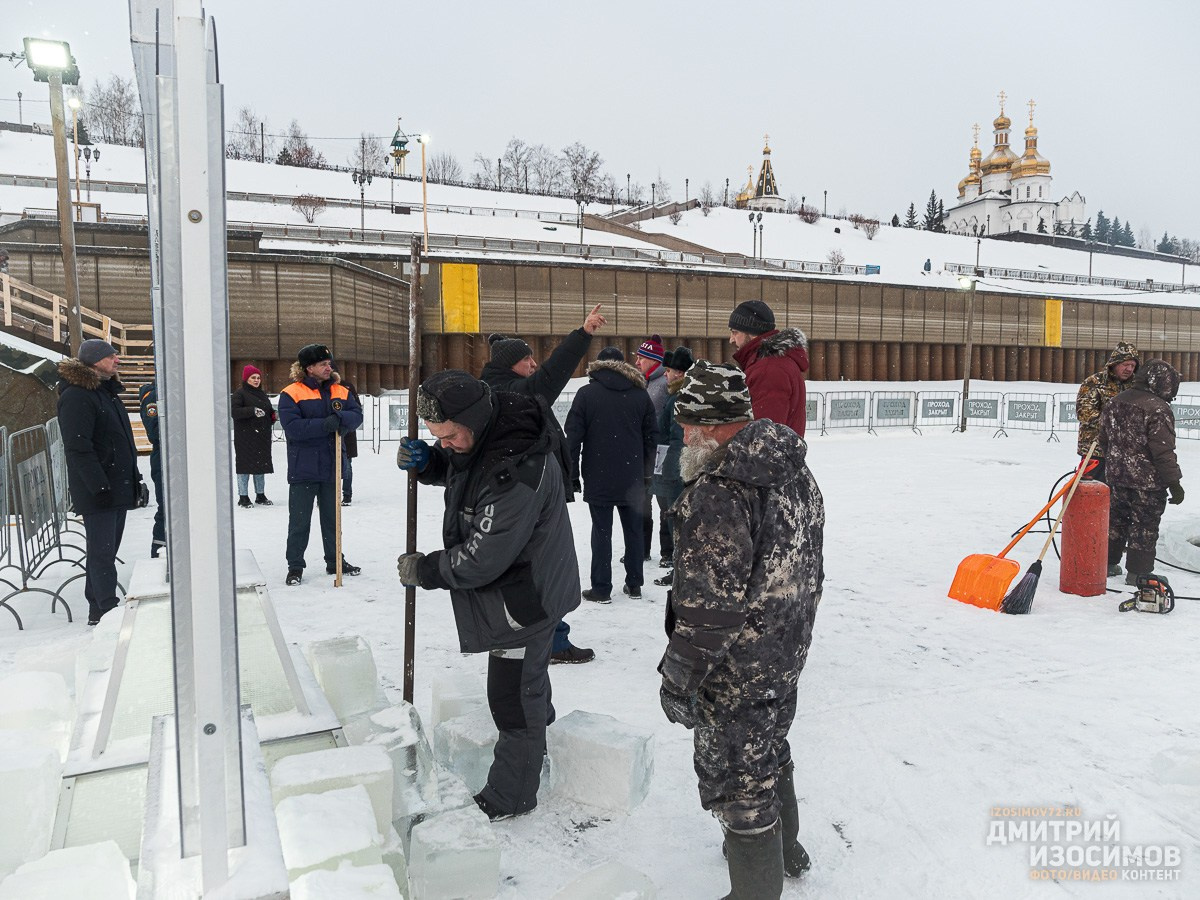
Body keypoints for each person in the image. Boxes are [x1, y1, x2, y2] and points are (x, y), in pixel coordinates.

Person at [658, 360, 824, 899]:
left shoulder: (719, 494)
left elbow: (708, 611)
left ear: (713, 425)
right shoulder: (793, 470)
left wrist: (678, 679)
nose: (684, 436)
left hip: (736, 670)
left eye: (689, 425)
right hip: (785, 652)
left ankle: (755, 889)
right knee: (769, 749)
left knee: (739, 781)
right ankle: (786, 848)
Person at [395, 370, 580, 820]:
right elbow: (468, 471)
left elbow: (481, 558)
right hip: (523, 588)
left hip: (524, 600)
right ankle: (539, 744)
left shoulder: (515, 473)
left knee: (513, 699)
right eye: (437, 437)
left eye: (449, 436)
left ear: (475, 421)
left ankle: (511, 795)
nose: (445, 443)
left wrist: (427, 569)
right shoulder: (494, 437)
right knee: (527, 684)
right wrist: (432, 463)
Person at [479, 303, 606, 665]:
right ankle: (550, 641)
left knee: (536, 569)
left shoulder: (503, 389)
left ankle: (538, 637)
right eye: (527, 360)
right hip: (528, 496)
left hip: (526, 494)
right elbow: (553, 374)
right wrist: (583, 334)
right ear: (510, 365)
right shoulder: (512, 392)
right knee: (544, 568)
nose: (533, 364)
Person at [57, 339, 147, 625]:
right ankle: (106, 610)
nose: (117, 359)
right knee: (102, 553)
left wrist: (133, 479)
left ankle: (98, 606)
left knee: (106, 552)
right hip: (99, 490)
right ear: (95, 361)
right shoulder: (77, 396)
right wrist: (99, 487)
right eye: (111, 356)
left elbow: (119, 442)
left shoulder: (106, 392)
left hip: (116, 485)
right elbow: (78, 448)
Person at [565, 347, 657, 603]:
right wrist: (647, 473)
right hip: (632, 474)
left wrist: (572, 474)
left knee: (601, 532)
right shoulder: (640, 394)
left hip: (598, 473)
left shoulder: (587, 394)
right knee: (634, 531)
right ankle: (635, 584)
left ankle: (601, 588)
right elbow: (652, 437)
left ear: (598, 366)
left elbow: (572, 438)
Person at [278, 344, 363, 586]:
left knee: (332, 520)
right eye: (323, 364)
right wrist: (325, 425)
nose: (329, 367)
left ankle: (335, 561)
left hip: (331, 466)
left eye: (329, 363)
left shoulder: (341, 390)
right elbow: (293, 428)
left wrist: (340, 418)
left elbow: (356, 415)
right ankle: (295, 566)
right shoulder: (291, 393)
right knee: (299, 522)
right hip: (303, 469)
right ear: (309, 368)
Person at [1099, 358, 1184, 584]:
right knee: (1144, 526)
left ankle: (1106, 564)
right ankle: (1138, 572)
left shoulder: (1116, 401)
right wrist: (1174, 483)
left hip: (1117, 477)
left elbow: (1104, 439)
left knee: (1116, 522)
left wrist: (1116, 464)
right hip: (1148, 483)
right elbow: (1163, 452)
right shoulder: (1158, 409)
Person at [728, 299, 810, 437]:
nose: (731, 339)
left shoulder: (769, 370)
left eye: (735, 332)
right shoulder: (773, 363)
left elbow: (764, 438)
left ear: (752, 333)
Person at [652, 345, 694, 587]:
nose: (665, 374)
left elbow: (678, 439)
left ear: (679, 373)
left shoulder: (679, 398)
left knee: (676, 520)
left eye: (668, 371)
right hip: (673, 464)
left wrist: (672, 470)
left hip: (674, 468)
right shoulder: (678, 395)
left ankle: (681, 572)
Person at [1076, 342, 1140, 484]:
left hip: (1126, 453)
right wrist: (1113, 423)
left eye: (1133, 365)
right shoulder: (1094, 383)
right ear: (1115, 363)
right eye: (1125, 364)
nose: (1129, 369)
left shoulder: (1137, 386)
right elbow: (1084, 413)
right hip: (1096, 451)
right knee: (1092, 492)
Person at [634, 334, 670, 565]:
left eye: (641, 358)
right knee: (642, 502)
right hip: (643, 452)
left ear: (654, 360)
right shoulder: (641, 382)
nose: (636, 362)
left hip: (662, 452)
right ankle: (642, 549)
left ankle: (668, 552)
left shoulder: (664, 383)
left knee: (665, 502)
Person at [231, 364, 276, 508]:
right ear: (246, 379)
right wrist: (252, 410)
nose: (256, 380)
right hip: (245, 438)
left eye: (258, 378)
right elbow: (235, 412)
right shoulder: (240, 394)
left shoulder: (262, 394)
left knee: (260, 466)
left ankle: (260, 495)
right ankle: (243, 496)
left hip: (261, 437)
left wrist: (272, 415)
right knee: (244, 467)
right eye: (253, 378)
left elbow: (267, 409)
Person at [138, 377, 166, 558]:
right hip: (163, 460)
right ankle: (157, 553)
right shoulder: (153, 397)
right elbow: (155, 433)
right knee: (166, 510)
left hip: (178, 460)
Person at [332, 364, 360, 506]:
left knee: (347, 465)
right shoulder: (322, 389)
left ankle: (347, 495)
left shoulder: (347, 387)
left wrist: (344, 422)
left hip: (347, 434)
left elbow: (356, 410)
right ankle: (329, 495)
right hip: (328, 434)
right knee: (329, 466)